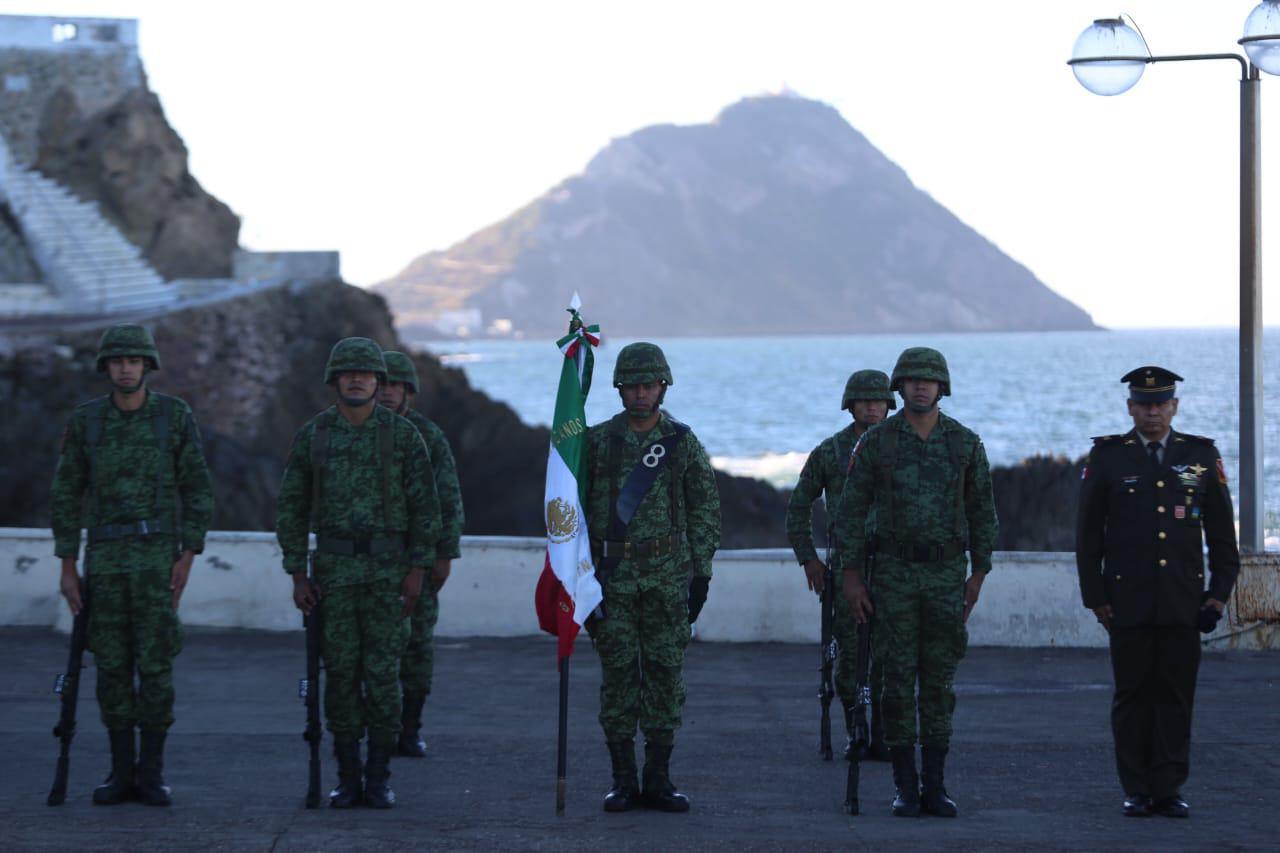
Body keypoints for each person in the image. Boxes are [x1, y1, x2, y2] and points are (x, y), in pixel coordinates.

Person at [50, 324, 214, 806]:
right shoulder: (88, 421)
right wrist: (67, 564)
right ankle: (121, 771)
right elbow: (66, 492)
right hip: (104, 561)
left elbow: (197, 487)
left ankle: (152, 772)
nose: (125, 368)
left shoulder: (173, 416)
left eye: (133, 361)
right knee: (112, 668)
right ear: (106, 367)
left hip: (157, 560)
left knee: (157, 666)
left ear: (147, 366)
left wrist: (189, 553)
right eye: (117, 361)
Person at [276, 337, 441, 809]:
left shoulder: (403, 435)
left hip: (389, 574)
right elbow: (290, 507)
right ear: (334, 380)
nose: (356, 379)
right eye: (347, 373)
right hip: (333, 574)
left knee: (384, 676)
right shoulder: (315, 434)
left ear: (378, 381)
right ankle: (347, 777)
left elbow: (425, 507)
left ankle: (379, 777)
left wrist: (418, 570)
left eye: (365, 373)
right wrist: (296, 574)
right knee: (342, 677)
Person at [834, 346, 998, 818]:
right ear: (899, 387)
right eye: (912, 379)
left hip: (947, 576)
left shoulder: (965, 444)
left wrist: (978, 574)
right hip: (893, 576)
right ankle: (905, 786)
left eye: (929, 380)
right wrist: (850, 577)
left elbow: (983, 513)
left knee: (940, 682)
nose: (921, 386)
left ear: (942, 387)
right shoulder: (878, 443)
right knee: (897, 680)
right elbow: (849, 513)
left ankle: (936, 785)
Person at [1075, 366, 1240, 819]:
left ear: (1174, 407)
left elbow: (1223, 538)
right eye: (1143, 404)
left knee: (1175, 696)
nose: (1152, 411)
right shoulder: (1108, 458)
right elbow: (1088, 538)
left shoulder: (1201, 455)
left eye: (1160, 403)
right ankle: (1136, 789)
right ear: (1130, 408)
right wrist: (1096, 598)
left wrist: (1218, 595)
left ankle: (1167, 788)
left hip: (1183, 602)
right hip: (1126, 602)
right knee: (1132, 697)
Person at [584, 342, 720, 813]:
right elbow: (572, 514)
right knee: (618, 678)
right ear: (619, 389)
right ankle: (623, 781)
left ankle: (658, 779)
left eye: (648, 384)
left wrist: (700, 572)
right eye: (632, 386)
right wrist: (578, 580)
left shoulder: (682, 442)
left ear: (662, 386)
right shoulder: (597, 442)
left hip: (666, 578)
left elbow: (705, 508)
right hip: (612, 580)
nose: (640, 393)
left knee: (665, 676)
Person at [785, 369, 894, 761]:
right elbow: (798, 507)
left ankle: (885, 733)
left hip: (895, 569)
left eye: (879, 400)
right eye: (864, 401)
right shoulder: (830, 452)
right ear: (850, 406)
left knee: (890, 656)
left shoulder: (900, 447)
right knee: (850, 657)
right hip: (848, 568)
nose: (872, 407)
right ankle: (857, 730)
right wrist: (809, 559)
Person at [377, 351, 465, 758]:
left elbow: (448, 498)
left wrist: (444, 555)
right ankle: (375, 727)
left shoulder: (428, 436)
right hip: (370, 561)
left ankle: (409, 729)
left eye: (397, 385)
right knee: (371, 650)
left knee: (417, 649)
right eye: (383, 383)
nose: (388, 392)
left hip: (419, 558)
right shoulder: (357, 432)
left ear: (409, 391)